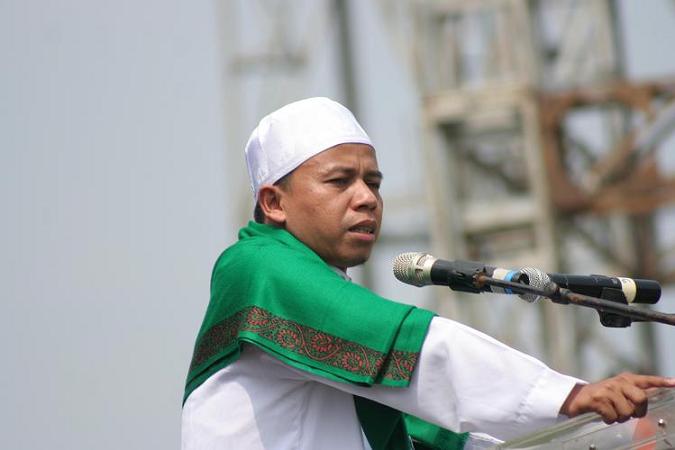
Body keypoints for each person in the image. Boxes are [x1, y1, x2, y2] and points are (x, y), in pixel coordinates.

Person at [181, 97, 675, 450]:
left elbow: (442, 433)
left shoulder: (333, 348)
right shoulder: (255, 268)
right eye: (340, 181)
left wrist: (625, 433)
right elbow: (412, 349)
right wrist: (572, 395)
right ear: (274, 202)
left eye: (373, 182)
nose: (366, 198)